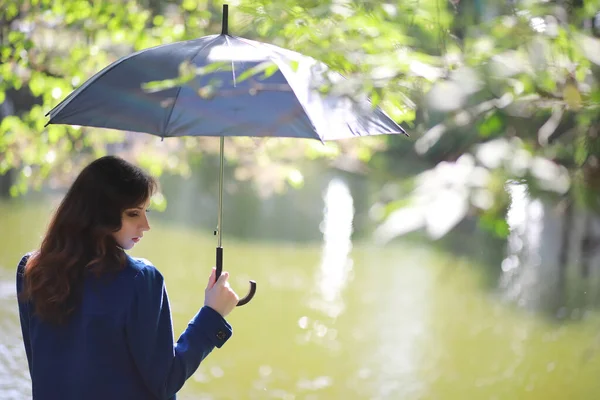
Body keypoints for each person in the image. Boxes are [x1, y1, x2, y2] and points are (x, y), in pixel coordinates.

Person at [15, 155, 240, 400]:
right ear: (100, 213)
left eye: (146, 211)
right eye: (134, 213)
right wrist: (212, 315)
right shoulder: (141, 279)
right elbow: (166, 381)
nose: (146, 225)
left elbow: (40, 369)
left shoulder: (32, 270)